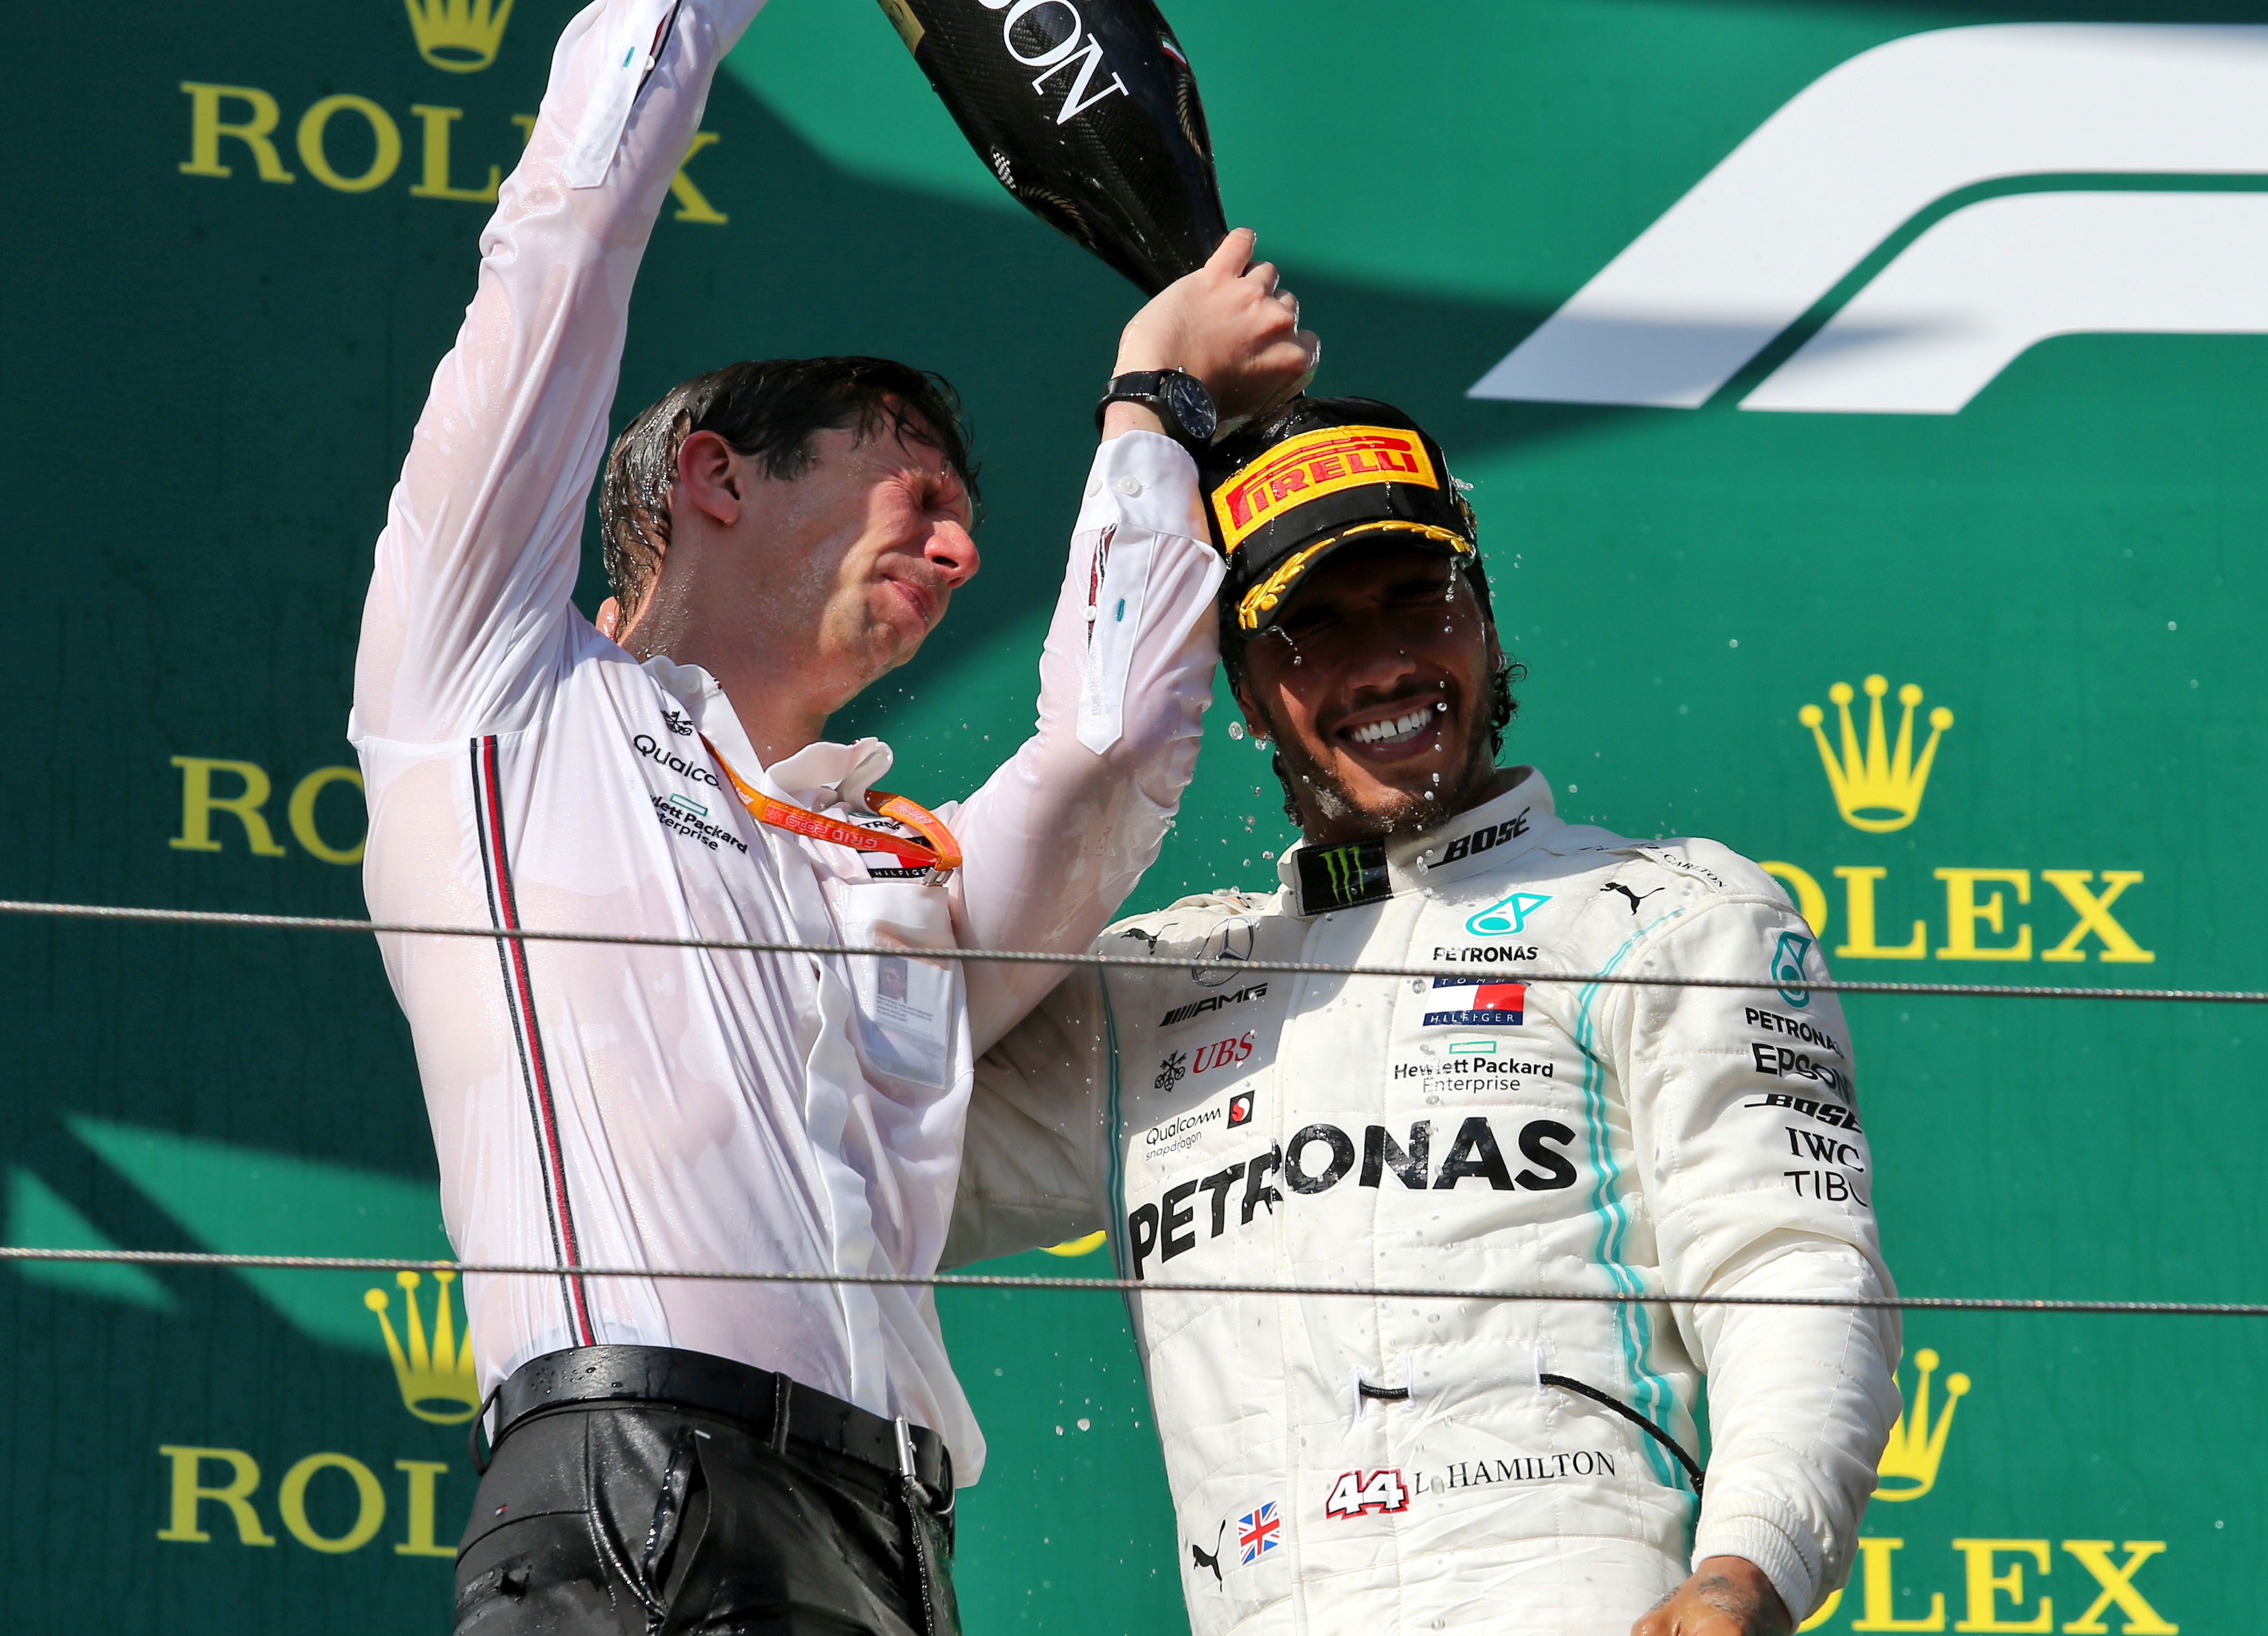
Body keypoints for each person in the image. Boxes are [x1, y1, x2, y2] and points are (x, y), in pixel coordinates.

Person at [346, 0, 1314, 1628]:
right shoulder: (497, 690)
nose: (956, 554)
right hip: (633, 1485)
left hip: (895, 1542)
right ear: (719, 479)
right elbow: (561, 250)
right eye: (916, 491)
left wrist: (1156, 415)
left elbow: (1113, 746)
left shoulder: (894, 870)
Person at [950, 397, 1901, 1636]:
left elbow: (1792, 1265)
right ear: (1236, 688)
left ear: (1486, 618)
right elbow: (805, 1145)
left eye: (1419, 599)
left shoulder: (1669, 910)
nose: (1386, 661)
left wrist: (1747, 1568)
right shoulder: (1151, 989)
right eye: (1314, 627)